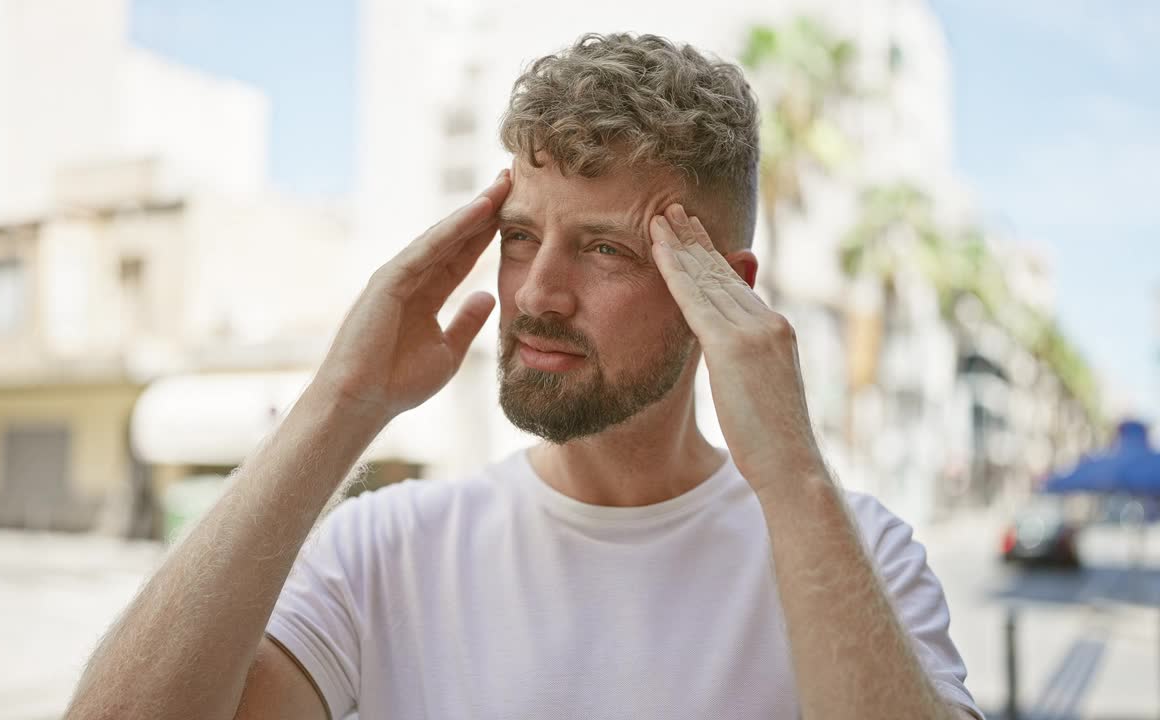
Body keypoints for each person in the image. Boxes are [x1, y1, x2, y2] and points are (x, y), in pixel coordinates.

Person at [67, 33, 982, 720]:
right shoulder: (385, 553)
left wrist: (791, 472)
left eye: (606, 250)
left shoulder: (861, 557)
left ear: (724, 292)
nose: (537, 293)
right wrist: (339, 408)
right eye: (519, 238)